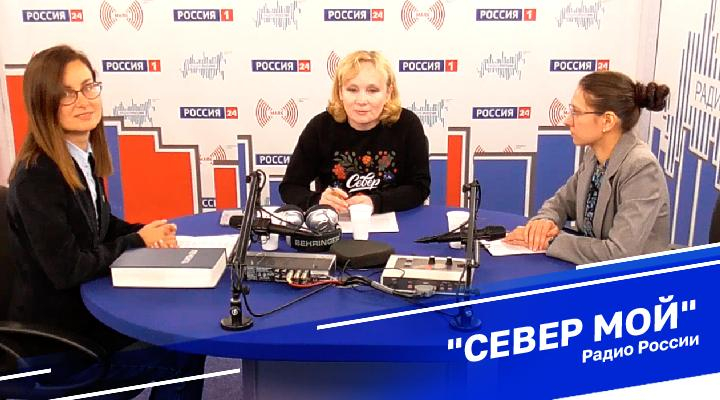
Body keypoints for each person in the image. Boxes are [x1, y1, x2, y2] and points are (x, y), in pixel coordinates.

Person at [5, 45, 204, 398]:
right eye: (66, 94)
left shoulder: (80, 157)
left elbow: (98, 225)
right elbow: (68, 268)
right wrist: (137, 241)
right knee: (183, 349)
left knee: (182, 332)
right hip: (59, 346)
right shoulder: (38, 175)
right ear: (43, 103)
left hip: (83, 317)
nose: (83, 101)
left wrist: (143, 231)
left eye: (88, 87)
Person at [504, 70, 671, 265]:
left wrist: (550, 241)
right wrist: (544, 223)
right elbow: (562, 202)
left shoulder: (641, 168)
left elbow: (619, 253)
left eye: (576, 112)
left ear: (607, 121)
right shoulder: (593, 155)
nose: (567, 120)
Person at [279, 50, 430, 214]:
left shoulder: (407, 124)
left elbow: (420, 187)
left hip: (394, 220)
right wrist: (318, 201)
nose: (362, 100)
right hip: (336, 224)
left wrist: (375, 202)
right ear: (340, 92)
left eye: (372, 90)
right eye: (352, 90)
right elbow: (290, 187)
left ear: (388, 93)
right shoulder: (320, 127)